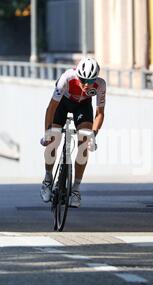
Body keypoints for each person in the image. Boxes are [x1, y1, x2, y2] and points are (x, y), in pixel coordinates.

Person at [40, 57, 106, 208]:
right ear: (78, 75)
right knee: (54, 139)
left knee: (84, 144)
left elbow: (100, 113)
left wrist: (93, 134)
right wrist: (47, 132)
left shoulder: (101, 85)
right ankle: (48, 178)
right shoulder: (67, 78)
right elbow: (51, 108)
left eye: (90, 81)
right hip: (63, 103)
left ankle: (75, 189)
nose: (86, 84)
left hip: (83, 106)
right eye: (82, 80)